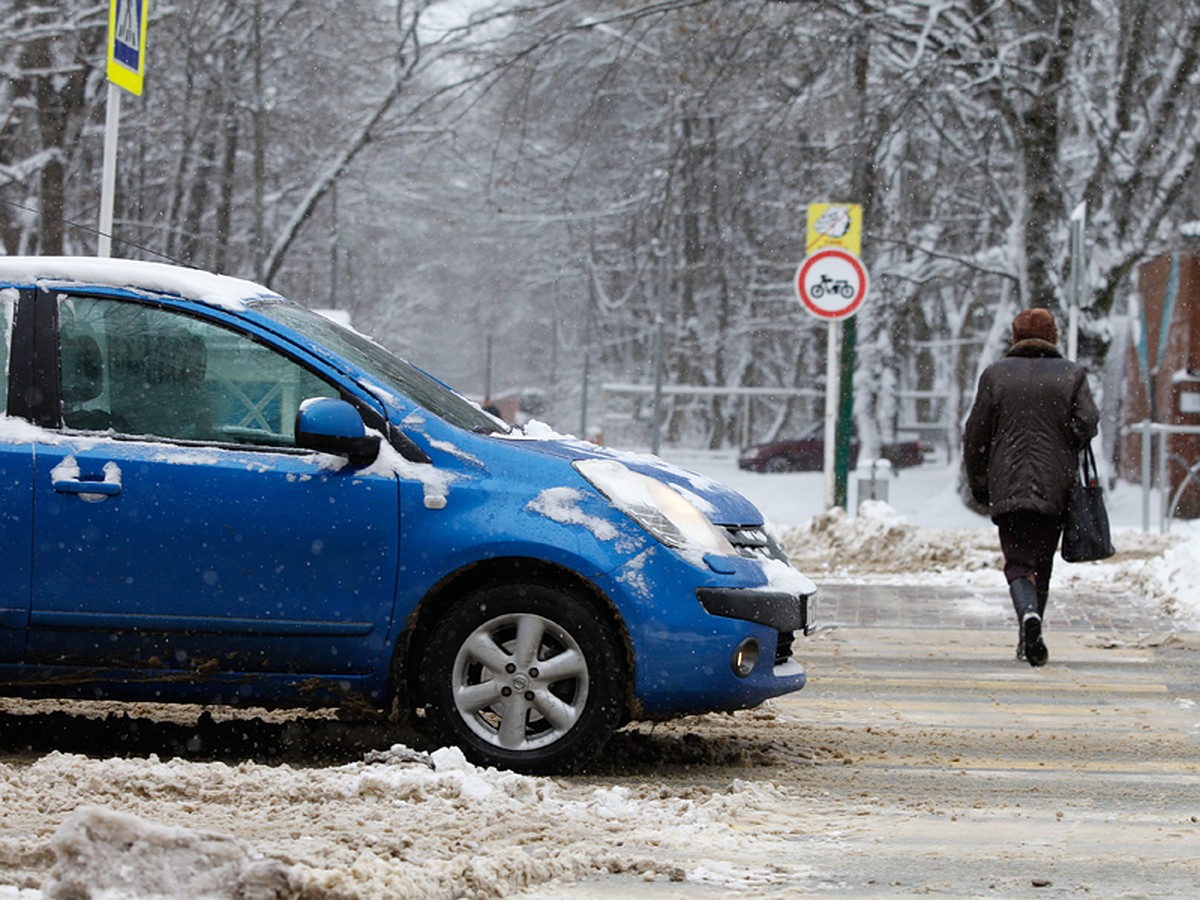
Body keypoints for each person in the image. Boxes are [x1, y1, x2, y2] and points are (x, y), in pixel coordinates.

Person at [963, 308, 1099, 667]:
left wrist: (978, 482)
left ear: (1014, 336)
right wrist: (1063, 439)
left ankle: (1027, 619)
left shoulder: (996, 375)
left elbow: (975, 432)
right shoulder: (1071, 374)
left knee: (1018, 562)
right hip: (1055, 485)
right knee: (1043, 559)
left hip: (1007, 483)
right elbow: (1088, 421)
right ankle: (1032, 628)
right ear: (1053, 335)